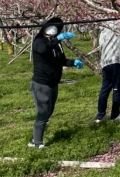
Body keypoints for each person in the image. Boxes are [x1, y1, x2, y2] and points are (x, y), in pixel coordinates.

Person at [29, 17, 81, 148]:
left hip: (53, 83)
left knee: (49, 111)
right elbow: (44, 49)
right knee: (43, 113)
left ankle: (35, 137)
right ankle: (37, 142)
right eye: (51, 26)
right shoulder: (39, 41)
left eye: (56, 28)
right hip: (42, 84)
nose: (54, 29)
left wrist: (73, 62)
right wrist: (58, 38)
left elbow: (61, 60)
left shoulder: (56, 43)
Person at [95, 20, 120, 122]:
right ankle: (115, 115)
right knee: (117, 89)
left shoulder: (103, 29)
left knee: (105, 89)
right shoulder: (117, 24)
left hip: (105, 63)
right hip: (115, 61)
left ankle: (100, 115)